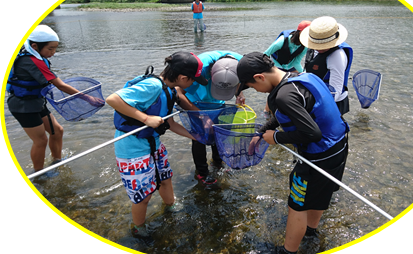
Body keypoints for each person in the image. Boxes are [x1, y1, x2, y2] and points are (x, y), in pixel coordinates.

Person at [236, 52, 349, 254]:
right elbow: (293, 114)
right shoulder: (299, 76)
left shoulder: (283, 95)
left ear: (260, 77)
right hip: (338, 147)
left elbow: (311, 133)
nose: (256, 91)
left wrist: (276, 137)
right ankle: (311, 231)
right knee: (318, 195)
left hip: (317, 158)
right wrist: (262, 131)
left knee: (297, 205)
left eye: (253, 87)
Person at [106, 52, 208, 238]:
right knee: (143, 196)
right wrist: (145, 118)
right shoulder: (153, 85)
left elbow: (171, 123)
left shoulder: (170, 90)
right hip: (132, 148)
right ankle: (139, 228)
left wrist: (194, 136)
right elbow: (113, 99)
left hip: (153, 144)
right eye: (194, 80)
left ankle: (171, 206)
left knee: (165, 178)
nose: (194, 84)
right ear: (183, 78)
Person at [6, 25, 103, 173]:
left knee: (57, 131)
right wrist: (88, 98)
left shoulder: (36, 55)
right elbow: (60, 86)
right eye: (50, 49)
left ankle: (57, 162)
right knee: (40, 141)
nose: (53, 52)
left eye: (55, 48)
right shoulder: (32, 61)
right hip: (23, 106)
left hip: (36, 102)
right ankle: (39, 174)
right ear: (34, 46)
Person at [176, 50, 245, 186]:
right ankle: (202, 172)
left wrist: (239, 93)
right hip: (196, 102)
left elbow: (241, 82)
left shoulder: (242, 64)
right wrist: (201, 115)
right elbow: (178, 93)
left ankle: (218, 162)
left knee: (218, 132)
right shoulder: (199, 68)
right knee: (199, 137)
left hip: (218, 102)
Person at [300, 16, 353, 116]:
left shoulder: (337, 56)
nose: (319, 49)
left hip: (332, 101)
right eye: (316, 45)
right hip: (317, 93)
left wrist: (314, 106)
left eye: (323, 47)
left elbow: (335, 92)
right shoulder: (314, 47)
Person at [262, 21, 311, 119]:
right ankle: (266, 111)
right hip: (276, 64)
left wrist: (304, 74)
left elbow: (296, 62)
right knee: (275, 88)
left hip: (291, 66)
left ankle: (290, 109)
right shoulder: (282, 40)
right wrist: (272, 70)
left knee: (300, 84)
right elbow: (265, 54)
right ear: (300, 32)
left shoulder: (305, 45)